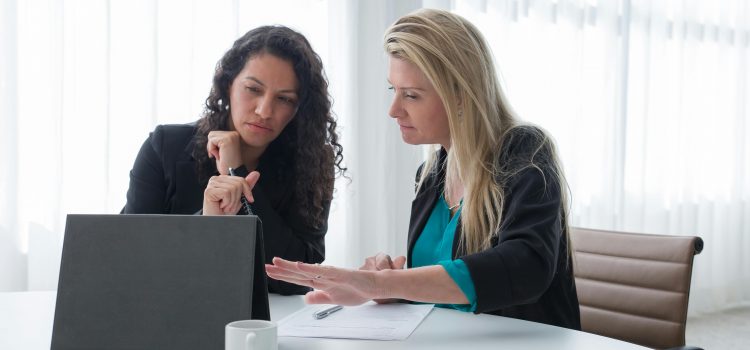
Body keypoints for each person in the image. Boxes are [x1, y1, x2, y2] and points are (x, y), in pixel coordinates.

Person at [265, 9, 580, 329]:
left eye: (411, 95)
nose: (394, 110)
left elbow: (525, 266)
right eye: (393, 90)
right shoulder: (431, 175)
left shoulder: (525, 151)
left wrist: (383, 283)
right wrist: (392, 287)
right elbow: (443, 297)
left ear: (460, 96)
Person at [122, 25, 345, 295]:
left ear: (300, 108)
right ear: (227, 83)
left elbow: (299, 277)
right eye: (253, 89)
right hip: (168, 312)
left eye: (285, 99)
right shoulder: (165, 147)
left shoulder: (312, 161)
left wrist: (236, 173)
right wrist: (208, 217)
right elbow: (130, 255)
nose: (264, 111)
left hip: (268, 322)